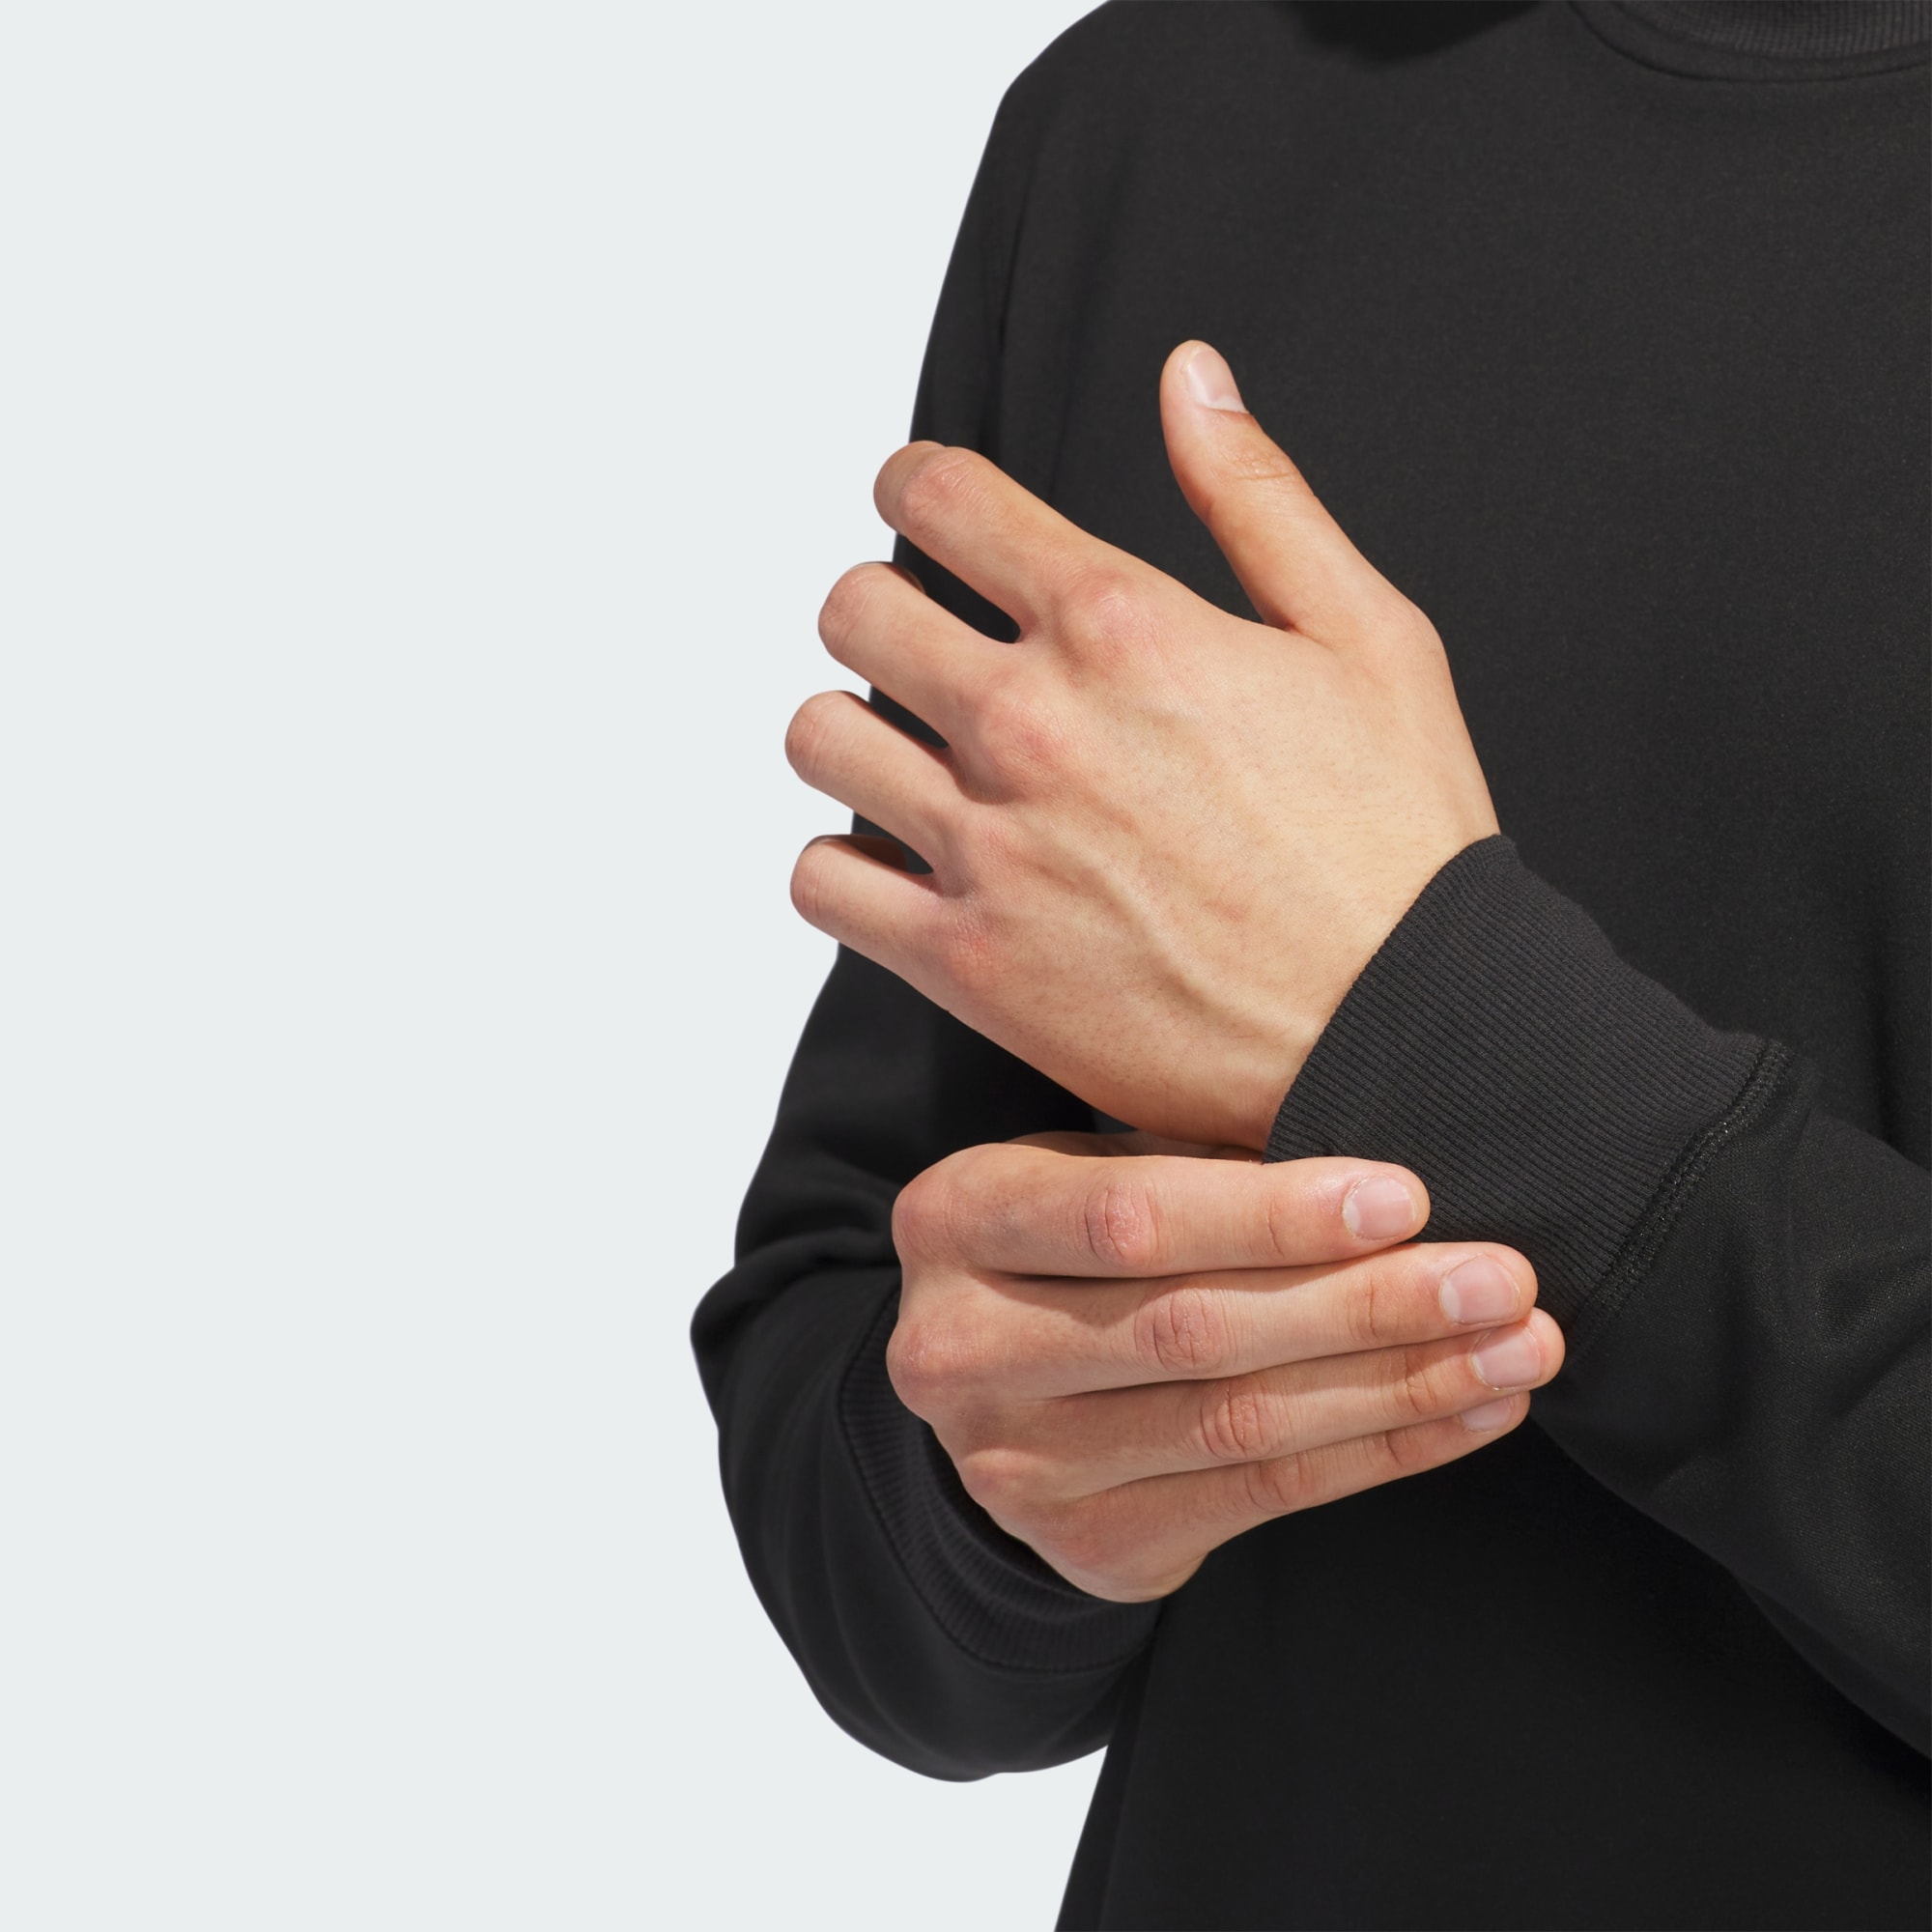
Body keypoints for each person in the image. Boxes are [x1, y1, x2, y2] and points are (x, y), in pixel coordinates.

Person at [692, 4, 1929, 1925]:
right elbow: (855, 1426)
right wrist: (1013, 1495)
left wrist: (1460, 1050)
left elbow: (1446, 1040)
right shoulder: (1153, 112)